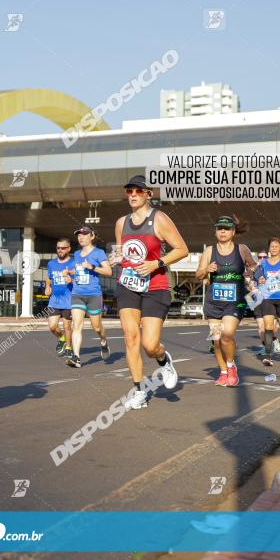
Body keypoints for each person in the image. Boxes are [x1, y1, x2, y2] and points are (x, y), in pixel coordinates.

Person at [113, 175, 188, 409]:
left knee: (149, 344)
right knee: (130, 337)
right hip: (128, 285)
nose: (133, 195)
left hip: (155, 285)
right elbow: (121, 254)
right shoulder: (120, 223)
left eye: (138, 191)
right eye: (129, 191)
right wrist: (113, 261)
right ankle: (138, 390)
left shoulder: (160, 219)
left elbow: (182, 249)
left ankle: (164, 361)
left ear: (148, 194)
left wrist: (156, 264)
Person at [195, 215, 256, 387]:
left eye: (226, 228)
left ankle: (231, 366)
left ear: (233, 231)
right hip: (213, 302)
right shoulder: (209, 251)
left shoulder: (242, 249)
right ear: (215, 231)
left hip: (235, 301)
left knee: (227, 334)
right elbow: (198, 274)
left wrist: (249, 275)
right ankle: (223, 372)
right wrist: (206, 269)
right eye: (219, 228)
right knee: (216, 340)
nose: (222, 231)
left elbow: (252, 266)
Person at [65, 225, 112, 368]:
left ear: (92, 236)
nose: (81, 237)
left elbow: (109, 272)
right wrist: (69, 273)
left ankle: (103, 341)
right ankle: (77, 358)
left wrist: (92, 267)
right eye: (79, 234)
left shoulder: (99, 253)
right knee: (76, 326)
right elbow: (79, 270)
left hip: (94, 295)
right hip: (77, 293)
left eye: (84, 234)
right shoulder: (77, 254)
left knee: (96, 327)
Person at [253, 238, 280, 366]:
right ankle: (267, 356)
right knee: (268, 327)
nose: (273, 248)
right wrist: (260, 280)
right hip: (267, 298)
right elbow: (257, 277)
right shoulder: (264, 263)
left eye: (276, 246)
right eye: (271, 246)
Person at [45, 238, 74, 359]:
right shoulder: (51, 263)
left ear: (68, 249)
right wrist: (47, 286)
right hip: (55, 300)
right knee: (52, 326)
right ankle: (61, 338)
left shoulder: (73, 263)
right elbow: (49, 277)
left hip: (69, 300)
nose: (60, 250)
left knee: (67, 326)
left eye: (63, 248)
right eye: (58, 248)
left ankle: (69, 348)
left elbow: (79, 279)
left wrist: (71, 279)